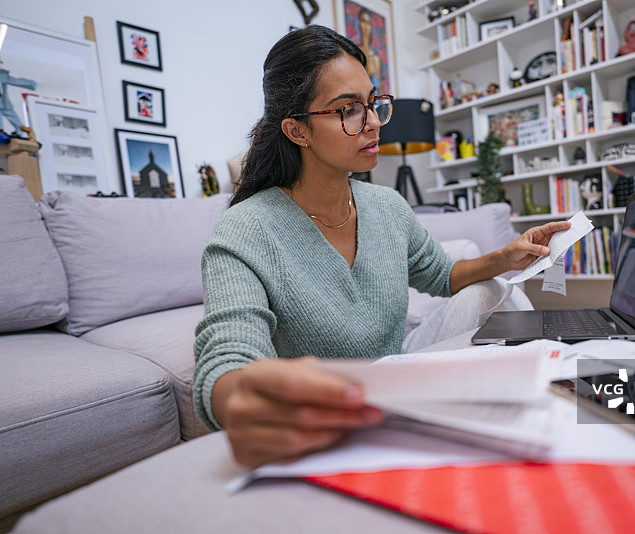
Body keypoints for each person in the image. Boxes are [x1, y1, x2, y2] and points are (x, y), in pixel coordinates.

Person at [193, 25, 570, 469]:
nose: (372, 121)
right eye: (348, 110)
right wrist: (241, 399)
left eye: (372, 103)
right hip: (333, 411)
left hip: (399, 378)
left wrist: (505, 258)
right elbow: (227, 355)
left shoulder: (387, 206)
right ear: (297, 130)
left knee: (494, 292)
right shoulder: (243, 231)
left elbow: (442, 276)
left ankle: (552, 407)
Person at [357, 8, 382, 91]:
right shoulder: (356, 54)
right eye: (363, 21)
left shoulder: (376, 57)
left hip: (376, 102)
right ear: (359, 23)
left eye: (369, 23)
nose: (366, 26)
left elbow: (380, 89)